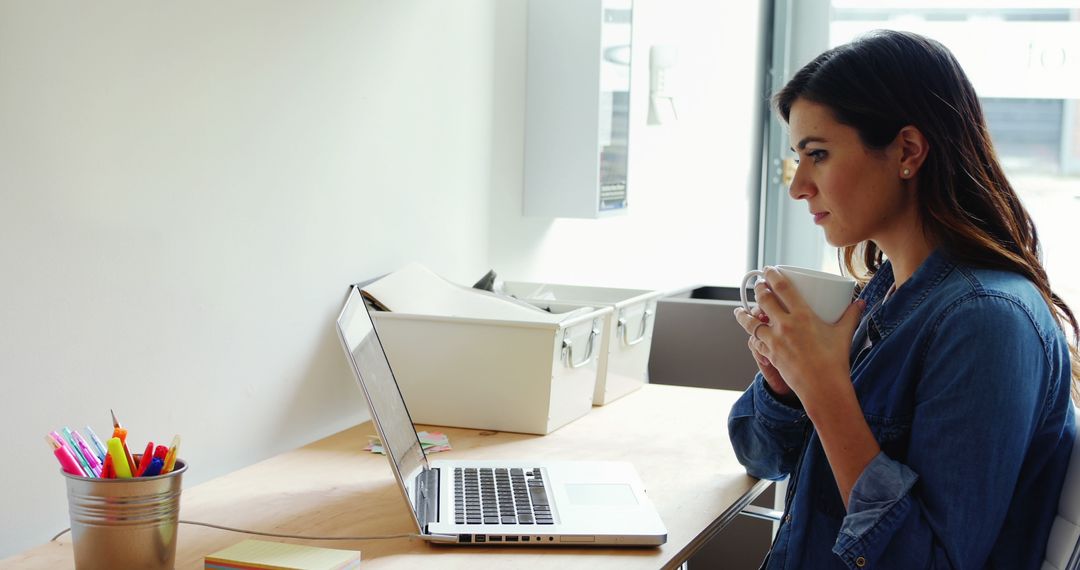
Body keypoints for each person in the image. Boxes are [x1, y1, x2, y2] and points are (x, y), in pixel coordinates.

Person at [729, 30, 1079, 569]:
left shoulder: (986, 321)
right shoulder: (882, 295)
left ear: (907, 152)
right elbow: (759, 455)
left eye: (817, 155)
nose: (798, 186)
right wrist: (787, 386)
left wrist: (825, 390)